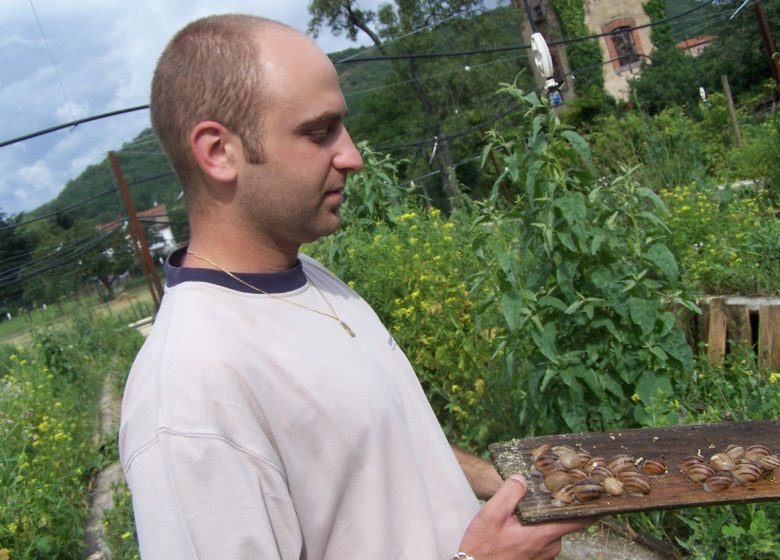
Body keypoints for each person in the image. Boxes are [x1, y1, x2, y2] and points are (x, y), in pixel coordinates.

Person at [119, 14, 589, 559]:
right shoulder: (190, 392)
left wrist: (502, 480)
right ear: (219, 151)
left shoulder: (306, 278)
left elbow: (368, 448)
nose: (352, 156)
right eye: (319, 133)